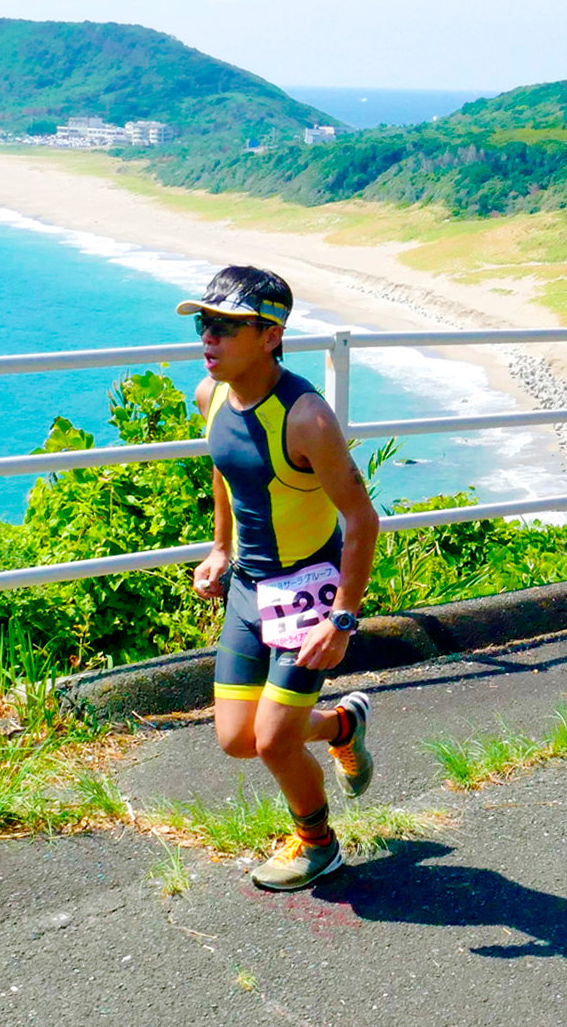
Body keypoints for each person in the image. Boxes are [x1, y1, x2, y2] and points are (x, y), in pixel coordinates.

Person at [184, 266, 382, 890]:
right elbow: (227, 469)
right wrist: (220, 548)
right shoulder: (209, 395)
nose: (209, 338)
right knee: (238, 739)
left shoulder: (306, 419)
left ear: (271, 336)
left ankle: (316, 844)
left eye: (227, 327)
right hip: (248, 589)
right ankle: (341, 726)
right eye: (204, 323)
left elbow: (361, 519)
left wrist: (342, 618)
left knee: (273, 743)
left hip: (309, 593)